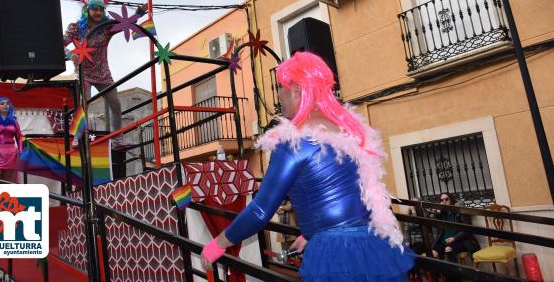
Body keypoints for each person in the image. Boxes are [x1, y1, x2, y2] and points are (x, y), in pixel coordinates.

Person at [201, 52, 414, 281]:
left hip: (336, 256)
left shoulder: (294, 141)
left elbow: (261, 210)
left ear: (295, 91)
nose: (279, 97)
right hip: (373, 246)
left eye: (280, 88)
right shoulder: (347, 131)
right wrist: (312, 232)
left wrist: (218, 244)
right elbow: (354, 194)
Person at [62, 0, 146, 148]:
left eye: (101, 9)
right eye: (94, 9)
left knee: (116, 104)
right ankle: (78, 137)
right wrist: (70, 55)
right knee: (84, 104)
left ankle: (117, 138)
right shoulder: (76, 28)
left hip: (103, 73)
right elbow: (57, 44)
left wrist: (138, 14)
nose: (98, 12)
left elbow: (125, 24)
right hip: (84, 72)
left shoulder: (106, 27)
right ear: (87, 10)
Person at [431, 192, 480, 263]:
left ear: (451, 199)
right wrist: (438, 213)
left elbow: (467, 229)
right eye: (442, 200)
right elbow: (434, 225)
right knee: (433, 252)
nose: (444, 201)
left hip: (460, 241)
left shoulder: (460, 210)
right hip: (444, 241)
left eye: (446, 199)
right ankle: (442, 273)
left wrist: (454, 238)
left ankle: (455, 273)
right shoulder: (442, 213)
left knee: (448, 249)